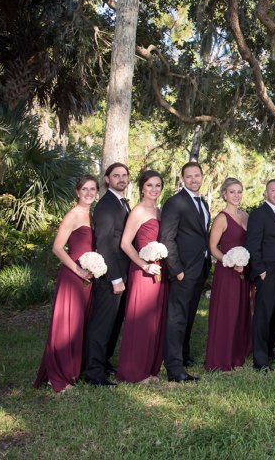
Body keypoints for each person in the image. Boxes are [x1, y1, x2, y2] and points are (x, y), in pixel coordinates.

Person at [34, 175, 98, 392]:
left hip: (88, 277)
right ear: (77, 192)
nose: (89, 193)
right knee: (66, 326)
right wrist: (77, 269)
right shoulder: (73, 215)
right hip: (72, 277)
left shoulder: (92, 215)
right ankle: (57, 376)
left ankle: (72, 370)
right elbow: (58, 248)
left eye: (93, 189)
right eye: (85, 189)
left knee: (79, 325)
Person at [115, 170, 168, 383]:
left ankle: (149, 368)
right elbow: (125, 243)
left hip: (159, 270)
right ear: (142, 188)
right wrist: (144, 265)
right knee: (141, 320)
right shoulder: (138, 211)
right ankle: (134, 371)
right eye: (149, 185)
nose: (154, 189)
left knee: (155, 321)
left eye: (157, 186)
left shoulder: (161, 211)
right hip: (143, 271)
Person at [160, 162, 211, 382]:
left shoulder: (204, 203)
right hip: (183, 270)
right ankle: (174, 368)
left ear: (202, 176)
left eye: (197, 175)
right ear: (182, 179)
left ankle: (184, 354)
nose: (193, 180)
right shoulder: (175, 202)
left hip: (200, 268)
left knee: (189, 315)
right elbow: (166, 238)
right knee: (177, 318)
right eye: (188, 176)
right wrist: (177, 269)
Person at [84, 162, 131, 386]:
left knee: (114, 323)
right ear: (107, 179)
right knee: (102, 325)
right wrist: (115, 278)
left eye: (124, 175)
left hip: (123, 274)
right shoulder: (105, 205)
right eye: (116, 175)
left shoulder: (122, 203)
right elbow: (104, 244)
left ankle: (103, 362)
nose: (121, 179)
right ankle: (93, 372)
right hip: (111, 276)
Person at [204, 177, 252, 372]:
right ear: (224, 194)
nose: (236, 196)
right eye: (232, 192)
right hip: (227, 272)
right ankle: (221, 359)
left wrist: (244, 263)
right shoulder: (222, 218)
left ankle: (237, 357)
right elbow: (212, 247)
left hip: (244, 272)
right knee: (227, 313)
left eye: (239, 192)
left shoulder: (246, 216)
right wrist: (230, 261)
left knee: (241, 312)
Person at [246, 178, 275, 371]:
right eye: (274, 190)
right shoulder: (258, 214)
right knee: (263, 315)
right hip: (267, 273)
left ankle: (269, 350)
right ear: (266, 192)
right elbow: (253, 245)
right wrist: (260, 270)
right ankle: (260, 360)